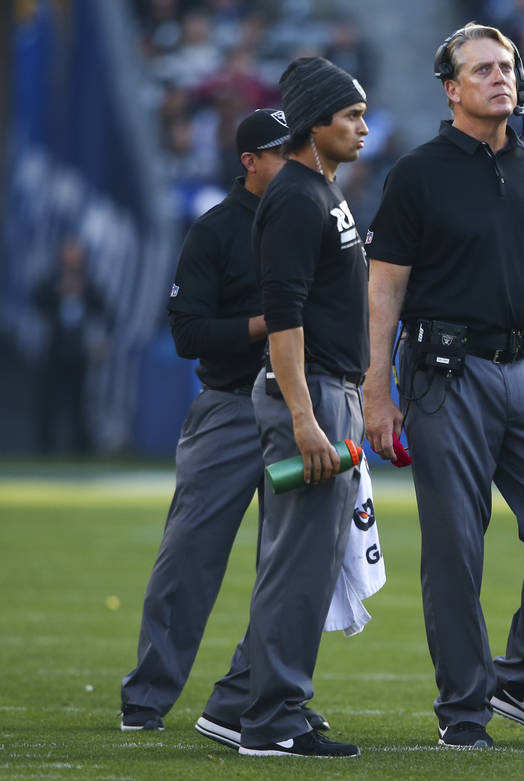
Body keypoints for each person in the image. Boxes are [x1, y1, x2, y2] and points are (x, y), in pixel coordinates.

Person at [362, 22, 524, 750]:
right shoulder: (416, 172)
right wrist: (376, 388)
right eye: (485, 68)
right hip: (444, 375)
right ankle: (463, 711)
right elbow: (383, 289)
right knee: (457, 549)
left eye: (508, 66)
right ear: (451, 88)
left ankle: (520, 678)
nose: (502, 77)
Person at [121, 109, 321, 734]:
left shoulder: (316, 213)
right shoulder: (213, 231)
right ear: (250, 162)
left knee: (293, 566)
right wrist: (277, 321)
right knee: (189, 555)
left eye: (297, 150)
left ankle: (255, 696)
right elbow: (187, 333)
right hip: (233, 406)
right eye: (280, 152)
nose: (294, 161)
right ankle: (148, 697)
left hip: (302, 410)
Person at [230, 57, 370, 758]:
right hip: (310, 392)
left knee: (309, 561)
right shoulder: (293, 196)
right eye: (350, 116)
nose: (364, 128)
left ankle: (260, 702)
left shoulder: (320, 188)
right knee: (298, 563)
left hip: (332, 388)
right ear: (316, 124)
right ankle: (270, 718)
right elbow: (282, 317)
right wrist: (306, 415)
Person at [32, 236, 111, 454]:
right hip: (54, 349)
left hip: (80, 350)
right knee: (49, 400)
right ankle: (44, 448)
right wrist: (60, 292)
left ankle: (81, 448)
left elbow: (104, 311)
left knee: (80, 402)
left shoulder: (90, 284)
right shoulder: (51, 282)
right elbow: (38, 302)